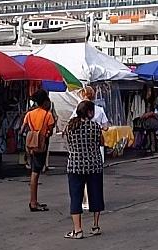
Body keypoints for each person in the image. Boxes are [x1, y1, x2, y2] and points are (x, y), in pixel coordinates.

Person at [64, 100, 105, 239]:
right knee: (96, 195)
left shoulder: (70, 126)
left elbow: (69, 144)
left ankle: (77, 230)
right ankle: (95, 225)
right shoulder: (95, 127)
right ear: (89, 112)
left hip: (75, 166)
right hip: (94, 165)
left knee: (76, 197)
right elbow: (101, 142)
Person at [22, 89, 56, 212]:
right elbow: (50, 131)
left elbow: (22, 130)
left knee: (33, 171)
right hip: (41, 145)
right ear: (45, 101)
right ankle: (33, 202)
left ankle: (34, 201)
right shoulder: (48, 115)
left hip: (31, 145)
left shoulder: (29, 114)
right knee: (35, 173)